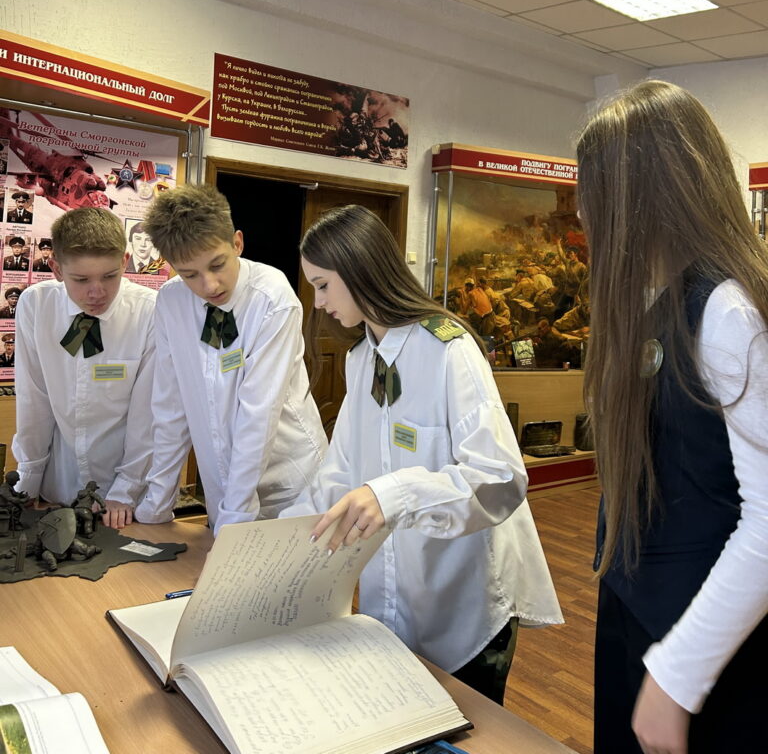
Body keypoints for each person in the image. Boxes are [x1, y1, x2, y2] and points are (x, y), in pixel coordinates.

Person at [288, 204, 562, 704]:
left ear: (359, 269)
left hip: (465, 603)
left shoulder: (449, 350)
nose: (319, 302)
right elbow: (339, 472)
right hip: (396, 597)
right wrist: (274, 542)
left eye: (323, 285)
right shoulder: (361, 359)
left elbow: (499, 479)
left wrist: (396, 493)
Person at [578, 80, 768, 754]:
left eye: (595, 194)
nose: (586, 215)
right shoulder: (664, 299)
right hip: (647, 615)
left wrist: (677, 676)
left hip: (702, 651)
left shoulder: (725, 312)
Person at [134, 184, 327, 534]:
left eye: (217, 265)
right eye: (189, 274)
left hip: (288, 481)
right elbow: (170, 405)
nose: (209, 285)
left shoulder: (272, 298)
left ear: (237, 243)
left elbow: (258, 413)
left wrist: (234, 520)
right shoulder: (171, 302)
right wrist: (157, 503)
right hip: (222, 486)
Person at [11, 207, 156, 529]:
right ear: (56, 269)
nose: (97, 292)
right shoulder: (36, 305)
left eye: (109, 276)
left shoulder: (150, 311)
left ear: (125, 261)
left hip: (127, 495)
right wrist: (28, 479)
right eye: (81, 280)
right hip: (59, 486)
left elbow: (148, 415)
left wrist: (127, 489)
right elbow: (34, 398)